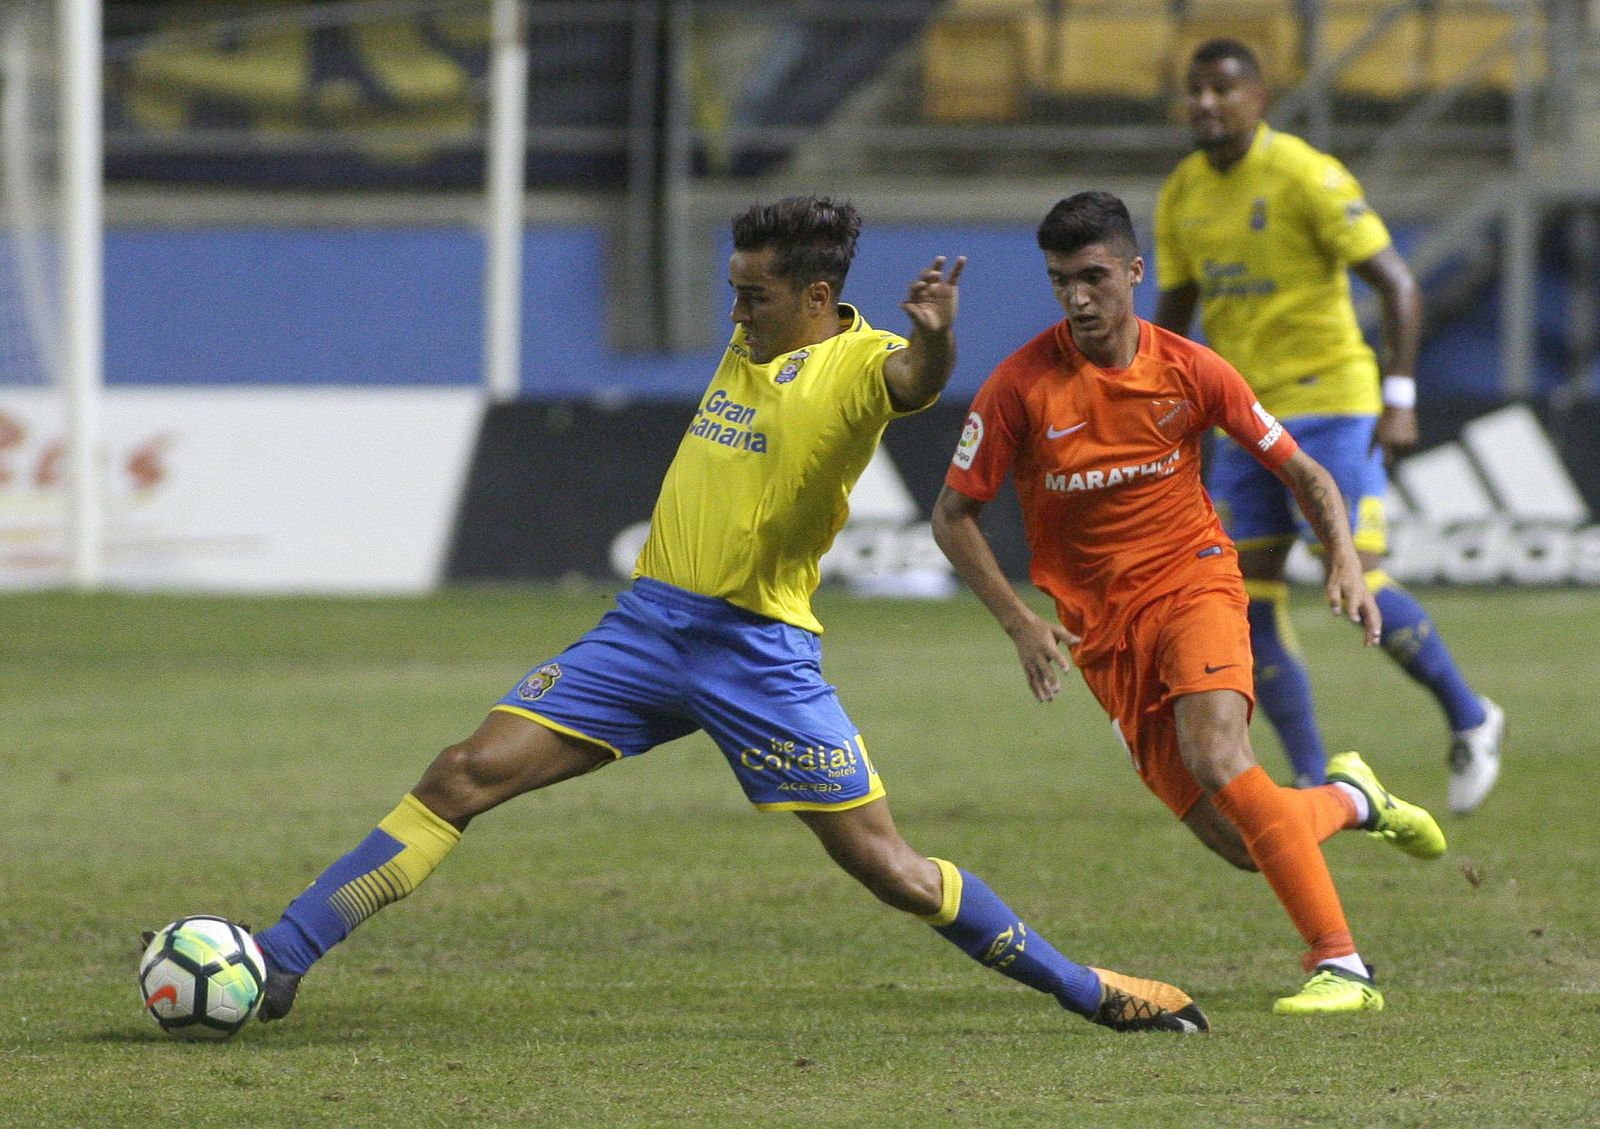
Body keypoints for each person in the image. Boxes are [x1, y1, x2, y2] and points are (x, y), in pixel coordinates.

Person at [240, 196, 1207, 1035]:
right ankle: (280, 956)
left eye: (754, 296)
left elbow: (914, 381)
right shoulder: (749, 347)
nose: (734, 312)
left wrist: (941, 336)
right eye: (734, 291)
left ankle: (1091, 990)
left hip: (758, 654)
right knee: (462, 772)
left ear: (816, 301)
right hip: (644, 631)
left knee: (891, 869)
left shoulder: (857, 363)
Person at [932, 191, 1447, 1014]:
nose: (1078, 297)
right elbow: (952, 516)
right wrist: (1021, 619)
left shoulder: (1192, 369)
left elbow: (1306, 473)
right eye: (1062, 280)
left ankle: (1342, 964)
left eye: (1095, 276)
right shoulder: (1019, 387)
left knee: (1217, 754)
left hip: (1195, 579)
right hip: (1102, 633)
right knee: (1246, 844)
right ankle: (1354, 798)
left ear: (1135, 273)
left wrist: (1343, 556)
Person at [1152, 38, 1503, 813]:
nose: (1205, 103)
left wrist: (1400, 395)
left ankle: (1472, 716)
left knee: (1356, 576)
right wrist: (1156, 408)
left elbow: (1399, 285)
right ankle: (1310, 778)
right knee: (1250, 598)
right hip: (1245, 417)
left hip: (1332, 404)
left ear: (1260, 99)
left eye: (1222, 89)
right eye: (1194, 91)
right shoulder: (1180, 193)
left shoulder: (1306, 175)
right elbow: (1173, 319)